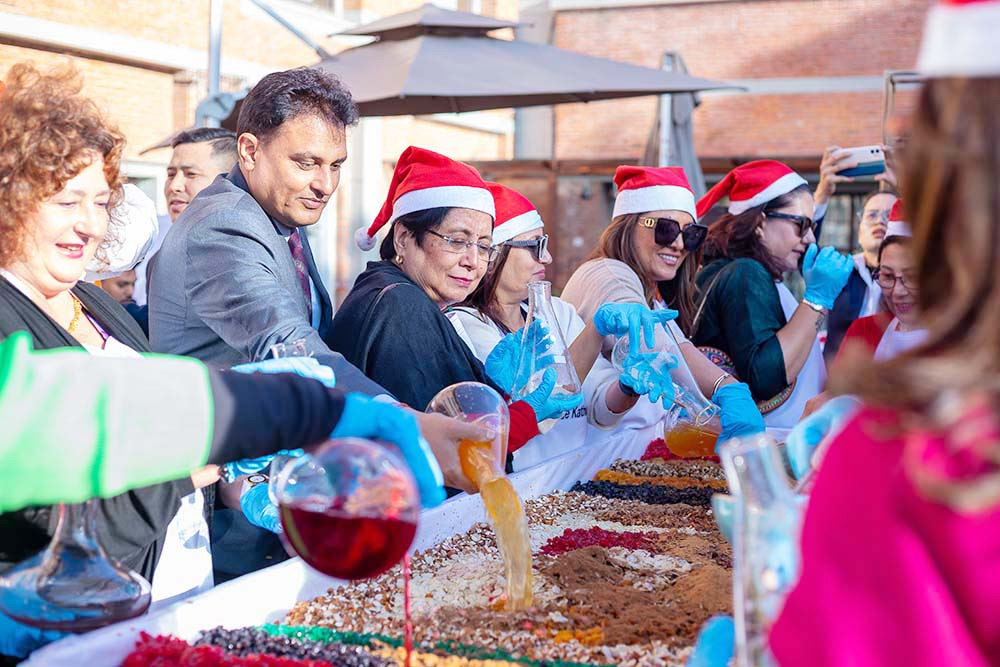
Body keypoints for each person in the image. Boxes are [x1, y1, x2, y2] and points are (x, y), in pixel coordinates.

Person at [0, 61, 216, 623]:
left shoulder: (95, 303)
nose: (90, 225)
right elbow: (41, 518)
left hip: (161, 593)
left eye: (100, 201)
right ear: (10, 201)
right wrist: (184, 468)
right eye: (67, 202)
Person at [331, 146, 580, 456]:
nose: (473, 262)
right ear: (403, 238)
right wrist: (522, 417)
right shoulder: (401, 306)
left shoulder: (399, 294)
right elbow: (447, 448)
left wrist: (493, 388)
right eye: (457, 241)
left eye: (484, 247)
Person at [448, 183, 673, 470]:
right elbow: (545, 401)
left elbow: (599, 410)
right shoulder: (465, 327)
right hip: (520, 486)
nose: (546, 258)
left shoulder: (558, 311)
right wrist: (595, 331)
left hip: (569, 481)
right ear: (492, 255)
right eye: (534, 247)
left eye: (546, 245)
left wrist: (627, 388)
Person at [562, 165, 765, 456]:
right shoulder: (607, 272)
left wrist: (728, 389)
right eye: (666, 229)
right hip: (592, 464)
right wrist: (726, 389)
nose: (680, 244)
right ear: (628, 225)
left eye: (691, 234)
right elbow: (647, 336)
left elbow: (677, 347)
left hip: (622, 459)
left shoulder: (651, 294)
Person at [691, 160, 854, 430]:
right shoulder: (746, 272)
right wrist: (817, 300)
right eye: (801, 225)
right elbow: (766, 377)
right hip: (763, 446)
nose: (810, 239)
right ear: (760, 222)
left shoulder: (745, 271)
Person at [133, 127, 238, 307]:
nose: (175, 186)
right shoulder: (162, 257)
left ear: (229, 181)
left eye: (191, 174)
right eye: (171, 174)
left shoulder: (244, 254)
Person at [833, 199, 925, 364]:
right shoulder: (863, 332)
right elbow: (838, 390)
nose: (897, 291)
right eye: (887, 276)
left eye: (911, 277)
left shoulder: (964, 343)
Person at [820, 180, 899, 363]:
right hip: (839, 382)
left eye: (889, 215)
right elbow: (803, 250)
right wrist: (822, 193)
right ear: (859, 230)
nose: (880, 220)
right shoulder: (840, 270)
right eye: (871, 215)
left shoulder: (916, 279)